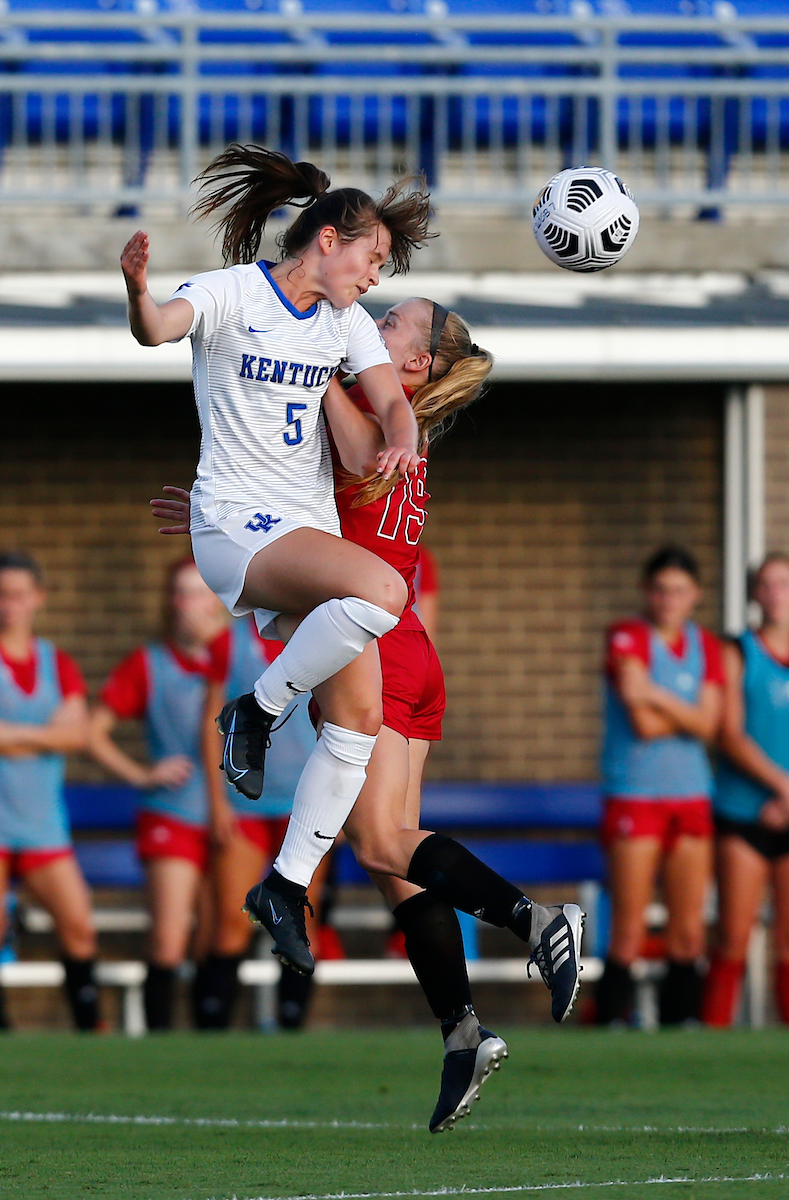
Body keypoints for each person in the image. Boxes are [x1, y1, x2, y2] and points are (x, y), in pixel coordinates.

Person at [126, 145, 582, 1015]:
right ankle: (259, 722)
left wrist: (391, 419)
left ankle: (284, 872)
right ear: (329, 239)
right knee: (383, 817)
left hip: (333, 580)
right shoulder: (245, 297)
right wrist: (139, 294)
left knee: (370, 785)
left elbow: (376, 411)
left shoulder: (342, 339)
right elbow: (165, 332)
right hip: (317, 573)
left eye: (391, 301)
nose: (376, 288)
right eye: (374, 263)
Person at [153, 294, 583, 1131]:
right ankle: (463, 1034)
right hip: (403, 644)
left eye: (389, 324)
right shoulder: (396, 423)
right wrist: (220, 512)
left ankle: (538, 921)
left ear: (416, 362)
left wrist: (314, 350)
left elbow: (317, 448)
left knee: (381, 841)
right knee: (395, 860)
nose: (370, 324)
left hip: (371, 647)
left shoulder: (366, 413)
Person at [88, 557, 227, 1030]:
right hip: (173, 813)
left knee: (216, 938)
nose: (187, 603)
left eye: (198, 592)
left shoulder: (244, 659)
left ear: (219, 600)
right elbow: (92, 733)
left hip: (231, 818)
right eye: (180, 592)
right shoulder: (150, 663)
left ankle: (211, 1049)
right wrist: (143, 774)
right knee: (169, 941)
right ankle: (158, 1046)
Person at [595, 545, 725, 1027]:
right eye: (661, 590)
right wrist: (688, 715)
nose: (669, 600)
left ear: (695, 595)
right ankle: (610, 1022)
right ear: (646, 592)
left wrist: (654, 692)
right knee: (629, 927)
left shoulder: (705, 645)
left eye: (679, 591)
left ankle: (681, 1027)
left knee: (688, 932)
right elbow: (645, 724)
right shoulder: (627, 636)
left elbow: (711, 725)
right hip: (636, 793)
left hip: (692, 794)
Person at [193, 615, 328, 1031]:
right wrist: (216, 801)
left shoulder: (326, 632)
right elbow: (210, 725)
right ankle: (211, 1036)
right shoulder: (228, 643)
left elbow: (341, 719)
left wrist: (338, 802)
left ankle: (291, 1033)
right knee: (232, 921)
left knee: (300, 922)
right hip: (243, 806)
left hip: (305, 804)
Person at [0, 550, 98, 1032]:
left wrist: (8, 735)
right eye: (0, 594)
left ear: (38, 598)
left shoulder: (58, 662)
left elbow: (78, 735)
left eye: (19, 594)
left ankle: (91, 1035)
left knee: (79, 928)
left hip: (42, 825)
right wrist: (46, 734)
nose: (9, 604)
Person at [704, 552, 789, 1026]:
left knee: (787, 945)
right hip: (744, 812)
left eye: (785, 583)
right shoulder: (738, 651)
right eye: (767, 584)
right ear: (755, 593)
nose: (776, 594)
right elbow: (730, 733)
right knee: (734, 937)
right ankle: (710, 1042)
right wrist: (782, 786)